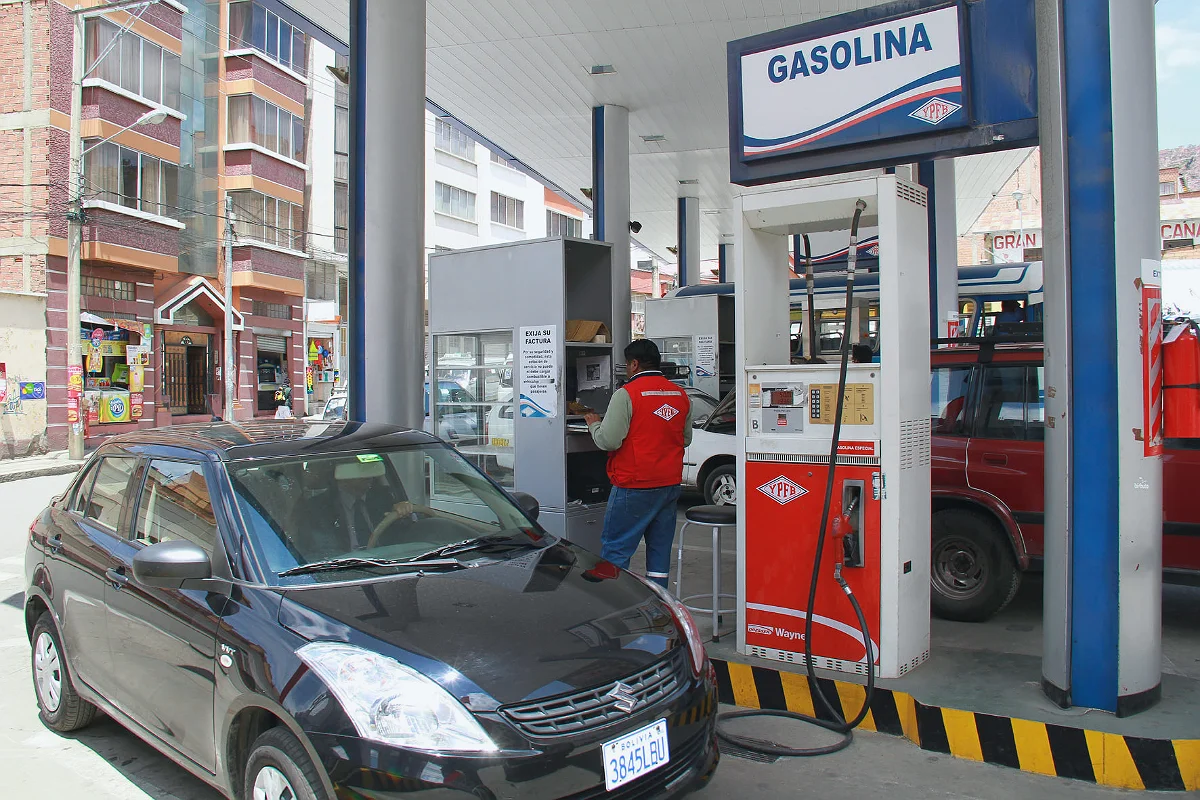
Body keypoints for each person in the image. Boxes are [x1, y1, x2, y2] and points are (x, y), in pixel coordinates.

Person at [584, 339, 693, 587]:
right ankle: (660, 603)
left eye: (626, 364)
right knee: (659, 552)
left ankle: (615, 602)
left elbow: (609, 441)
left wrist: (594, 425)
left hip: (634, 484)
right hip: (669, 484)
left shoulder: (627, 394)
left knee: (616, 550)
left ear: (634, 364)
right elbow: (685, 439)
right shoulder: (680, 394)